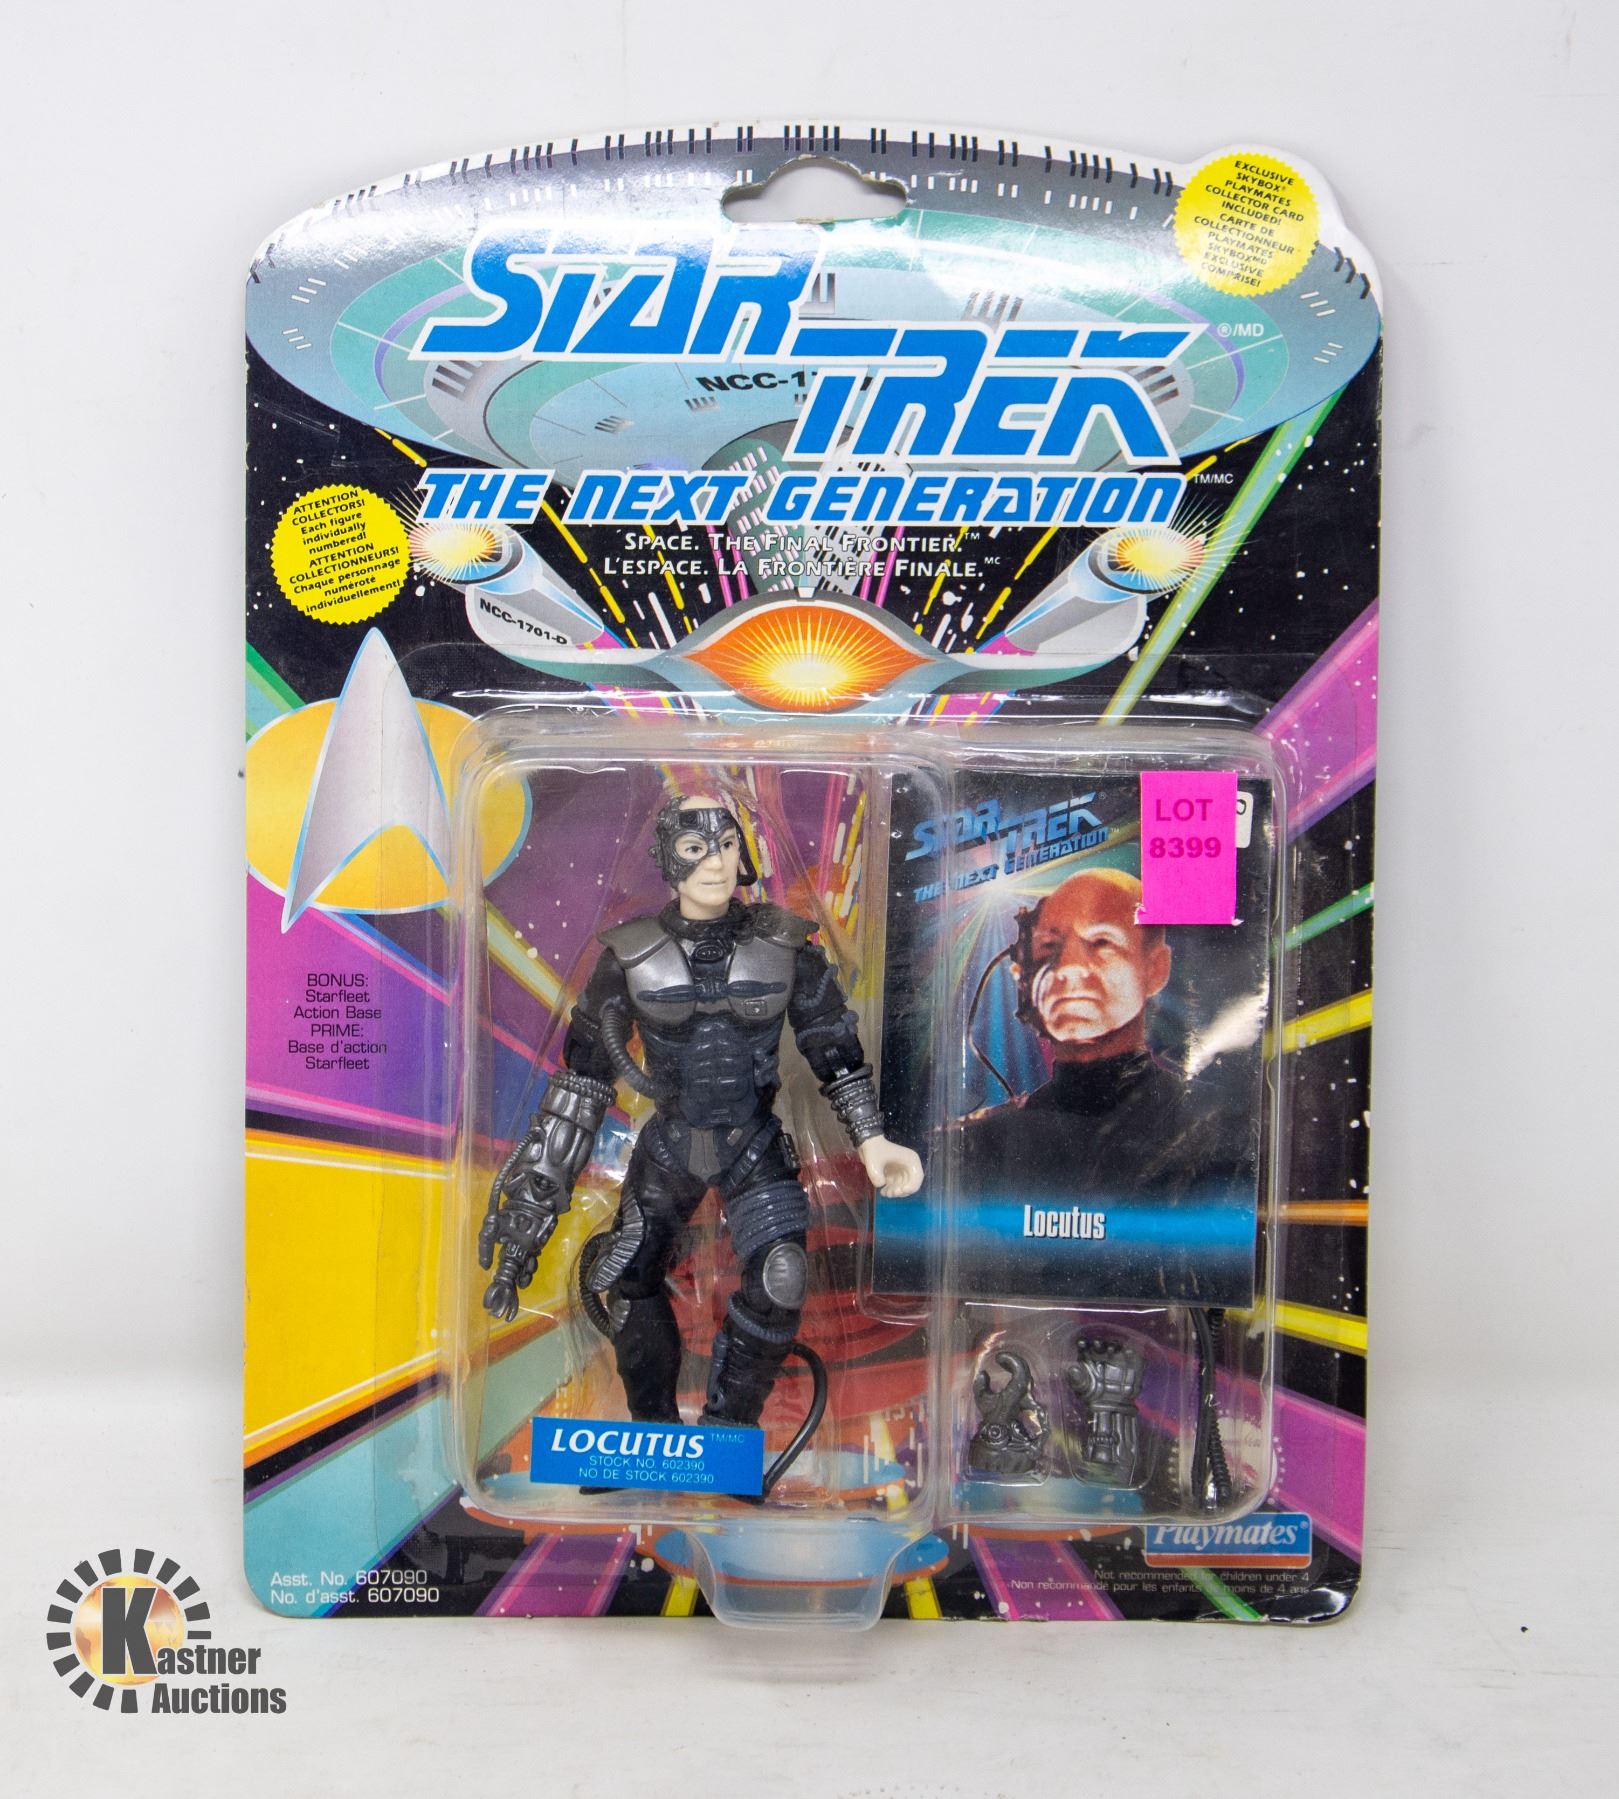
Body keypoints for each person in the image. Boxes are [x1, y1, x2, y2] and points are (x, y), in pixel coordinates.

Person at [479, 794, 923, 1430]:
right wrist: (524, 1233)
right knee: (629, 1278)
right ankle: (654, 1435)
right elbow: (582, 1083)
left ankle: (725, 1435)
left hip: (753, 1144)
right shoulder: (629, 954)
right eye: (694, 848)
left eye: (725, 846)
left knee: (781, 1277)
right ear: (668, 859)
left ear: (742, 855)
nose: (714, 863)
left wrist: (873, 1139)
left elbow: (832, 1044)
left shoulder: (785, 944)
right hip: (669, 1146)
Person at [962, 866, 1248, 1210]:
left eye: (1101, 942)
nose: (1068, 968)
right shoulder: (980, 1144)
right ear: (1021, 975)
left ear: (1155, 968)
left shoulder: (1214, 1127)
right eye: (1049, 946)